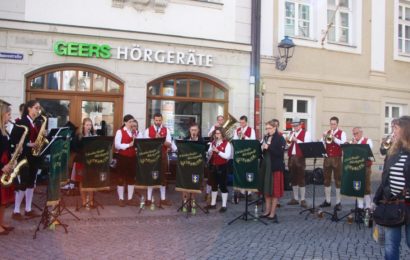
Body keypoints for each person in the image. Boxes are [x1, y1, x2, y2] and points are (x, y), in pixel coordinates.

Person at [373, 116, 410, 260]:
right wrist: (378, 199)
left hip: (408, 205)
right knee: (391, 244)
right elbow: (385, 178)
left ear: (405, 130)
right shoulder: (393, 152)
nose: (392, 132)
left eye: (395, 128)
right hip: (393, 204)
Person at [10, 100, 44, 220]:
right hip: (24, 156)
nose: (37, 110)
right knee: (23, 183)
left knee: (31, 183)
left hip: (34, 156)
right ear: (29, 108)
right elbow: (13, 140)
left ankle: (28, 209)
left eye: (38, 108)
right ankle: (16, 210)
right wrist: (29, 145)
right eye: (36, 108)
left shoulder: (36, 123)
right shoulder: (21, 122)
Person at [259, 119, 286, 222]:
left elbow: (280, 153)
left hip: (275, 167)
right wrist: (261, 147)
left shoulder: (280, 138)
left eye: (269, 128)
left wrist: (268, 147)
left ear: (274, 128)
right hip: (266, 166)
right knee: (266, 189)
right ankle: (267, 210)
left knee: (274, 191)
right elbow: (261, 150)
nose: (267, 130)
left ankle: (273, 213)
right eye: (266, 128)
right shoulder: (265, 137)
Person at [143, 113, 172, 206]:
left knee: (163, 177)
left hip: (162, 155)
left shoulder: (166, 130)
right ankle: (148, 199)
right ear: (153, 120)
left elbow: (169, 144)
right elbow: (145, 144)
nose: (158, 122)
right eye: (156, 120)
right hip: (152, 156)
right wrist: (154, 139)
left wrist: (161, 139)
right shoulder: (148, 130)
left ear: (162, 120)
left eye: (159, 120)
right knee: (150, 177)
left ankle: (163, 199)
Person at [319, 116, 346, 211]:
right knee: (326, 179)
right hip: (327, 158)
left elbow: (343, 144)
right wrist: (323, 138)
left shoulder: (342, 133)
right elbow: (321, 144)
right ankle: (327, 200)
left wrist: (335, 139)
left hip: (337, 159)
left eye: (334, 124)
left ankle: (338, 202)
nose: (332, 125)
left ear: (337, 124)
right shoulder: (327, 132)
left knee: (338, 180)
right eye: (331, 124)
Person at [71, 118, 96, 208]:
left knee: (91, 181)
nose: (89, 127)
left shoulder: (93, 135)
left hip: (90, 161)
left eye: (90, 125)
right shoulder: (78, 136)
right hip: (81, 160)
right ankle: (84, 201)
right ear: (83, 125)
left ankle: (91, 201)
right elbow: (74, 148)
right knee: (81, 181)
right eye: (87, 125)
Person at [286, 117, 311, 208]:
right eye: (293, 126)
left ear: (300, 125)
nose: (294, 127)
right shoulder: (291, 133)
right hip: (291, 158)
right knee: (293, 178)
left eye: (296, 126)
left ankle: (303, 199)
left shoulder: (306, 133)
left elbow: (307, 145)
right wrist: (288, 142)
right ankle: (295, 198)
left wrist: (296, 140)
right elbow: (287, 145)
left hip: (300, 158)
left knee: (301, 178)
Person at [206, 127, 231, 213]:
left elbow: (227, 156)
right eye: (216, 133)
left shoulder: (227, 144)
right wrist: (209, 152)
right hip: (213, 166)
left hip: (222, 167)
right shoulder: (213, 143)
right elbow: (209, 153)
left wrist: (218, 151)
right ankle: (213, 204)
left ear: (222, 134)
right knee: (214, 185)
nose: (217, 135)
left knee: (223, 186)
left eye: (218, 133)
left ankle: (224, 205)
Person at [114, 115, 138, 207]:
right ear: (125, 122)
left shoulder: (134, 132)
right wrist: (129, 145)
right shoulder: (120, 132)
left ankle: (130, 199)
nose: (132, 123)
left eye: (132, 121)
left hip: (132, 157)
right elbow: (117, 145)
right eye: (130, 121)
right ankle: (121, 199)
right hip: (123, 157)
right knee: (121, 178)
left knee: (131, 178)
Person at [181, 123, 205, 212]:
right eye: (192, 130)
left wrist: (196, 142)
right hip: (187, 165)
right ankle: (185, 202)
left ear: (198, 131)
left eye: (195, 130)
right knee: (185, 183)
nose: (193, 132)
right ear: (189, 131)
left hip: (197, 166)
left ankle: (193, 201)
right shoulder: (185, 139)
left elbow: (202, 153)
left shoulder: (201, 141)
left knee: (195, 183)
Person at [350, 127, 373, 211]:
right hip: (356, 167)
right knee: (357, 186)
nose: (355, 135)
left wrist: (356, 146)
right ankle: (360, 206)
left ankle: (368, 206)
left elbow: (367, 152)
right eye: (354, 134)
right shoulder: (352, 142)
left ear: (361, 133)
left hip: (365, 167)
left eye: (357, 133)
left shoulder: (368, 141)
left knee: (366, 186)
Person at [0, 100, 14, 235]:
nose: (10, 118)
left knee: (3, 199)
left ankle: (1, 222)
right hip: (1, 167)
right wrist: (2, 166)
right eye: (8, 115)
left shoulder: (4, 131)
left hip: (5, 166)